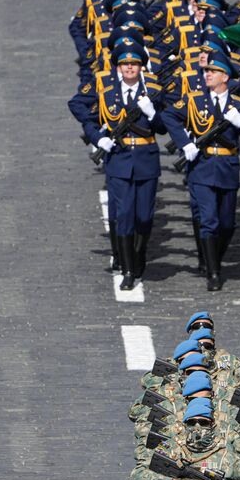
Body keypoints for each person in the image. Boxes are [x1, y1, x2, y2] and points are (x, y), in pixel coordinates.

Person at [68, 37, 167, 290]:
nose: (129, 68)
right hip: (119, 160)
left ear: (141, 66)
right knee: (123, 215)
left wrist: (152, 113)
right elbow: (85, 114)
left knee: (144, 217)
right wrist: (98, 138)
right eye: (124, 64)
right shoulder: (107, 91)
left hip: (146, 159)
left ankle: (139, 256)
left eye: (134, 64)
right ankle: (128, 269)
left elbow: (163, 128)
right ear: (118, 67)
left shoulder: (153, 90)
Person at [163, 52, 240, 291]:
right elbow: (169, 115)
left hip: (228, 167)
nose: (207, 74)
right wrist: (185, 143)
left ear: (225, 77)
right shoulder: (194, 100)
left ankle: (212, 258)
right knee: (209, 221)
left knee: (227, 224)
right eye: (207, 71)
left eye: (213, 71)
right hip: (202, 166)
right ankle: (213, 272)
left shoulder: (238, 104)